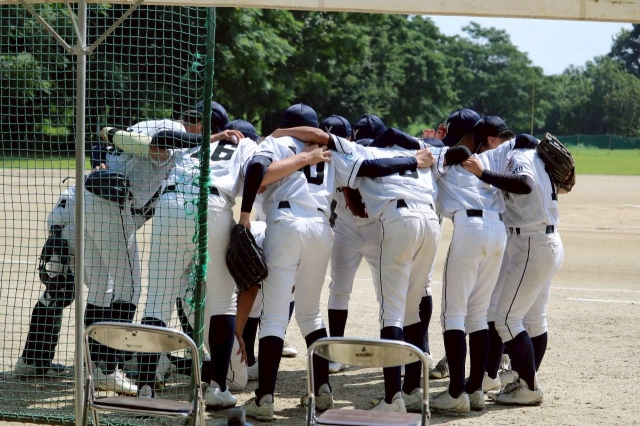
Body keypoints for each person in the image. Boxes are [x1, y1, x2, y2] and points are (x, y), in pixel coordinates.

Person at [239, 105, 437, 420]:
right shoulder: (330, 151)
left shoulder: (277, 141)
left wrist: (245, 214)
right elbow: (373, 167)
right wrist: (413, 160)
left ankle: (264, 399)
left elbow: (256, 170)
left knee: (275, 316)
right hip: (320, 229)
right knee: (311, 314)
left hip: (285, 223)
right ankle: (322, 389)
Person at [14, 102, 224, 394]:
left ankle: (84, 364)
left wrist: (100, 159)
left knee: (98, 287)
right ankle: (104, 368)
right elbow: (162, 139)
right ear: (204, 126)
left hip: (86, 202)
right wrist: (208, 139)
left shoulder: (150, 130)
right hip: (107, 207)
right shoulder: (173, 130)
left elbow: (105, 143)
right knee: (127, 288)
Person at [424, 111, 518, 414]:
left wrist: (433, 141)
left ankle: (455, 394)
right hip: (497, 231)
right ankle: (475, 389)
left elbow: (425, 157)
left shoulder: (447, 157)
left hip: (469, 229)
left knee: (453, 314)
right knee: (478, 315)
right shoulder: (490, 160)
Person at [464, 133, 565, 406]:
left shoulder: (518, 155)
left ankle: (529, 386)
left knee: (506, 320)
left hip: (532, 243)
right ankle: (524, 382)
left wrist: (483, 173)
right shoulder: (540, 160)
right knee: (534, 320)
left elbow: (524, 184)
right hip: (548, 241)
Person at [324, 114, 386, 374]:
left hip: (376, 228)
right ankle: (336, 352)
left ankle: (396, 350)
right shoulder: (333, 158)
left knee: (387, 293)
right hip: (346, 228)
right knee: (339, 288)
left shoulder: (386, 157)